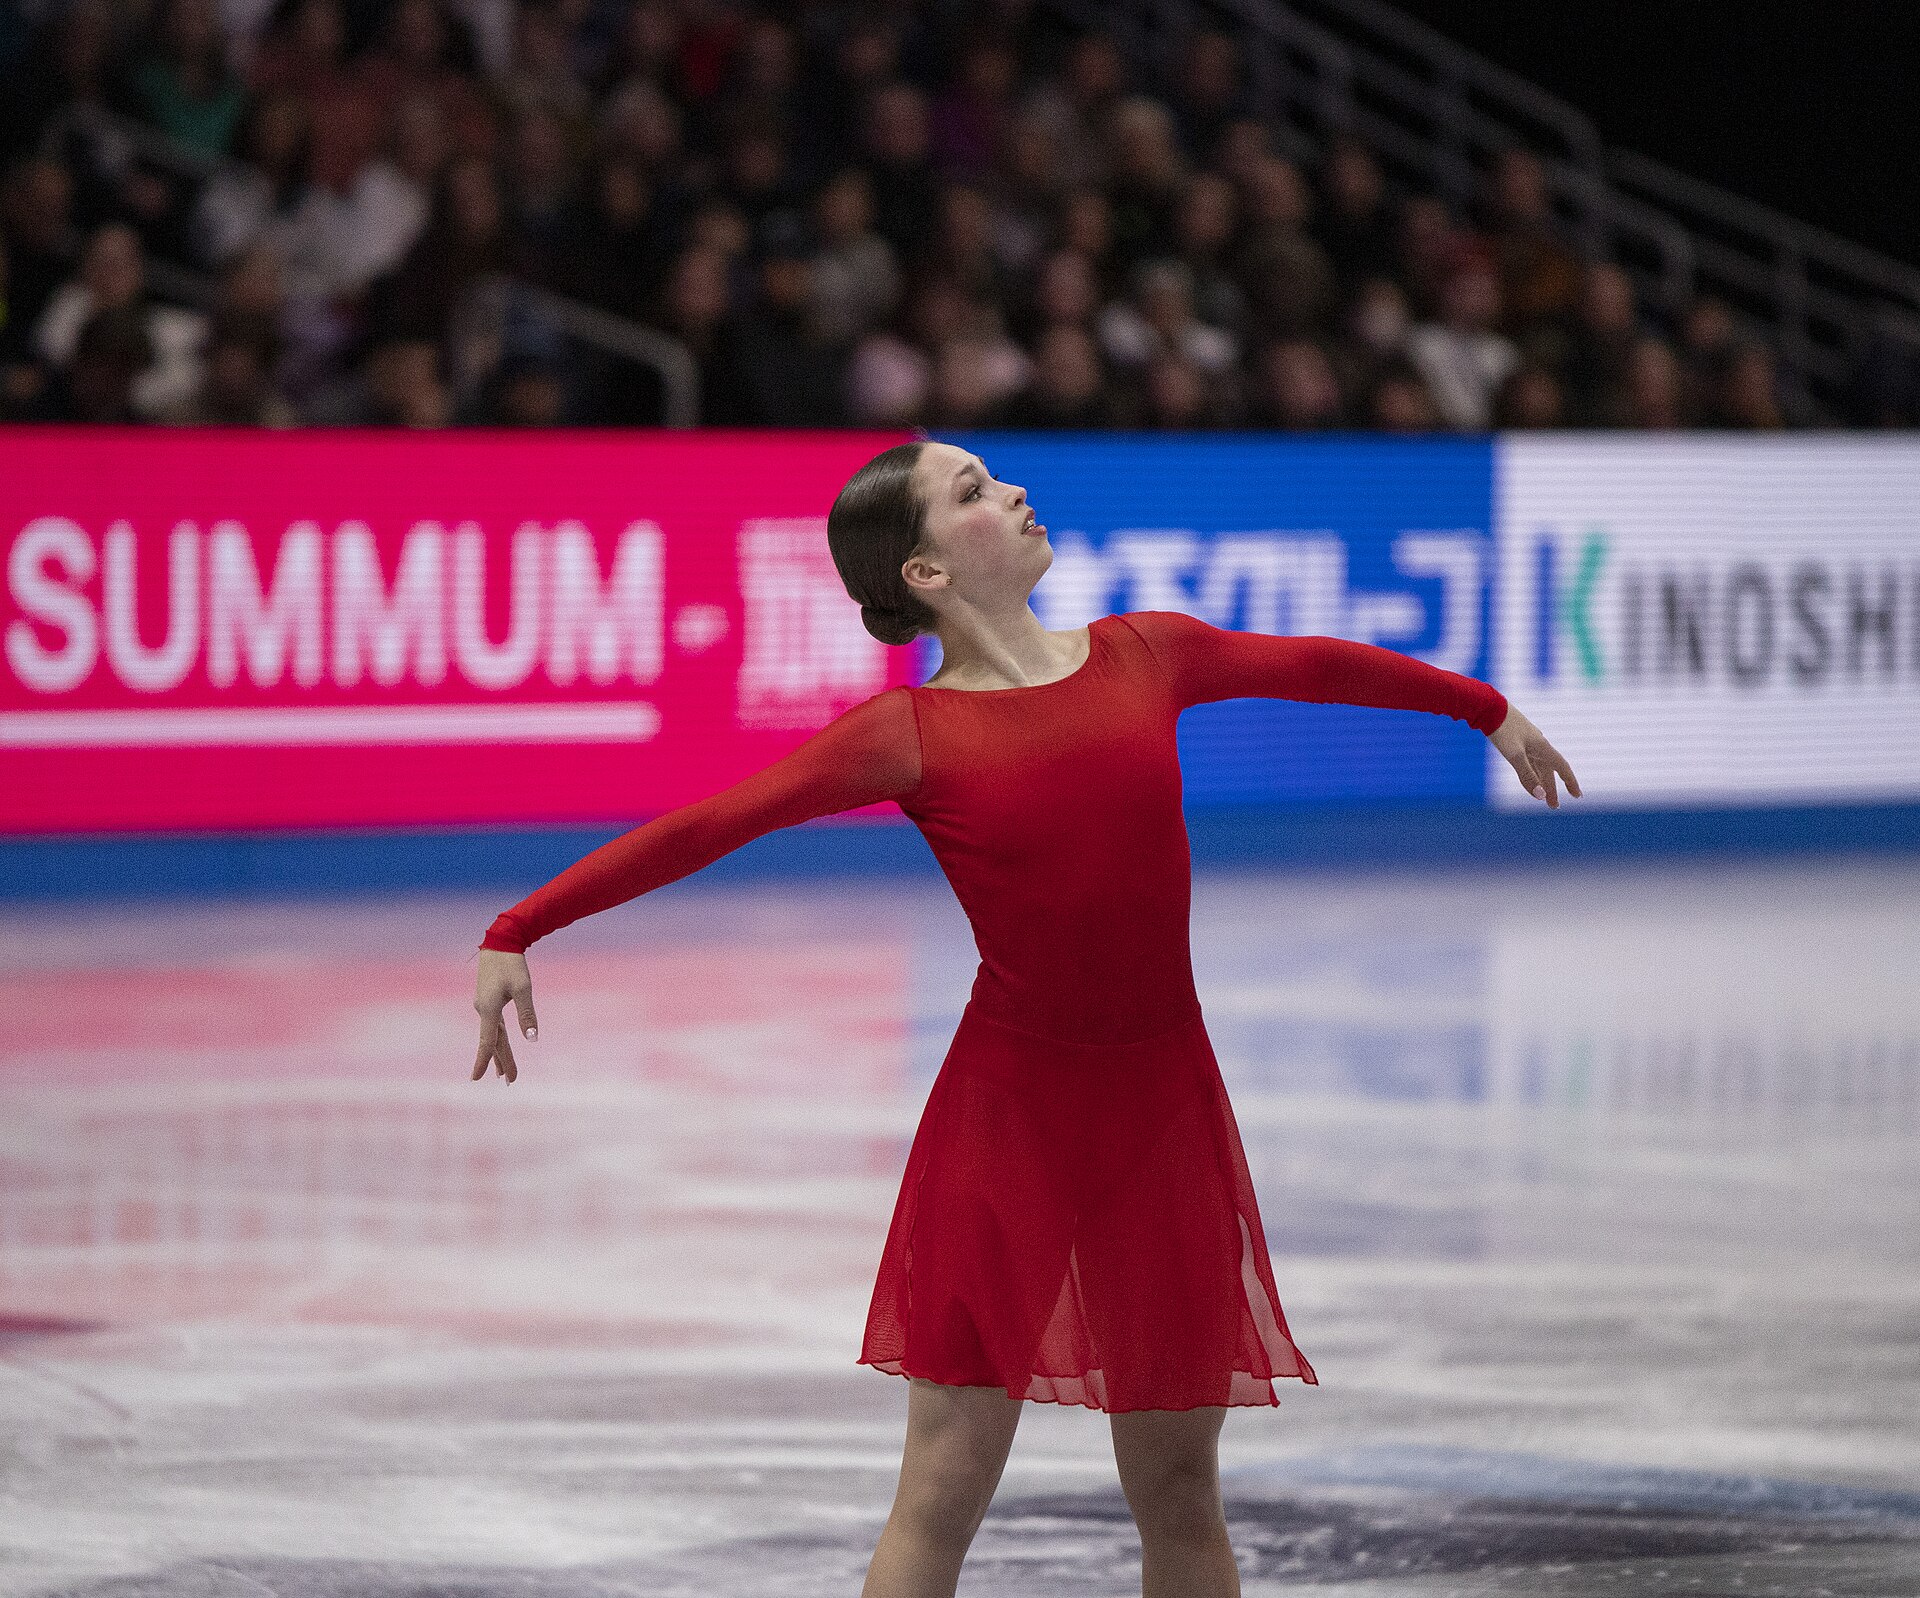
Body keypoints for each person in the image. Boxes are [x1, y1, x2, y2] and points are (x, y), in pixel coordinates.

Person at [469, 441, 1579, 1597]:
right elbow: (711, 822)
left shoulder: (1147, 653)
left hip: (1164, 1115)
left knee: (1181, 1489)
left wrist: (1482, 707)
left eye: (994, 476)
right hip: (1008, 1123)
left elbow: (1310, 664)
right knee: (943, 1488)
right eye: (972, 493)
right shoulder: (908, 733)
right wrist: (520, 922)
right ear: (930, 574)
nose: (1010, 492)